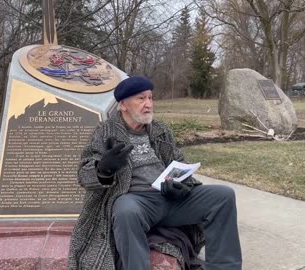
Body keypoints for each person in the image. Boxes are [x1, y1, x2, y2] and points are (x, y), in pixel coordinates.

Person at [68, 76, 242, 270]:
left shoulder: (160, 130)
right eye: (141, 99)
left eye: (150, 98)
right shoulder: (105, 132)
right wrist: (104, 168)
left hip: (169, 197)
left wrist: (181, 185)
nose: (148, 104)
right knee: (125, 210)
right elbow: (84, 175)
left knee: (223, 196)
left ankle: (224, 267)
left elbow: (178, 161)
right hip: (137, 202)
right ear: (123, 104)